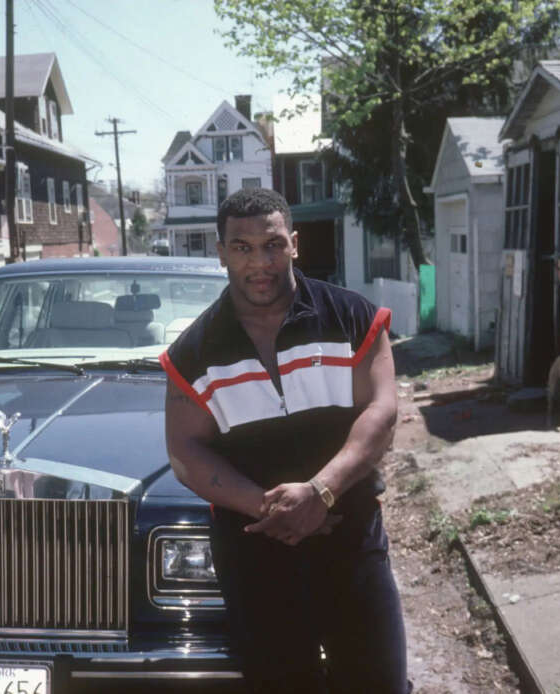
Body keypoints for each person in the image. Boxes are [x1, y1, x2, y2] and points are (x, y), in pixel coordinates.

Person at [160, 187, 410, 693]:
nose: (260, 262)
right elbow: (185, 452)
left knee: (378, 683)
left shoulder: (353, 318)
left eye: (273, 244)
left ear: (294, 243)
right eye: (242, 247)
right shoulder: (193, 352)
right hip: (255, 553)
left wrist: (320, 492)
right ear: (221, 252)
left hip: (349, 533)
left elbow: (381, 413)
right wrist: (270, 509)